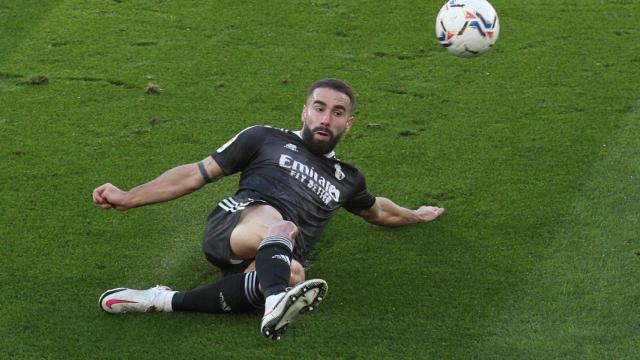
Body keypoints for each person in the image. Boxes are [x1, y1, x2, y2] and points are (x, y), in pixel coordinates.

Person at [93, 78, 445, 340]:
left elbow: (379, 212)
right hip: (237, 223)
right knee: (281, 226)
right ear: (304, 111)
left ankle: (161, 300)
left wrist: (416, 214)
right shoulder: (265, 137)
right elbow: (196, 174)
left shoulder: (348, 178)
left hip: (275, 255)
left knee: (294, 273)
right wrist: (129, 197)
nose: (326, 118)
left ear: (348, 124)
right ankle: (276, 299)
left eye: (337, 113)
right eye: (319, 108)